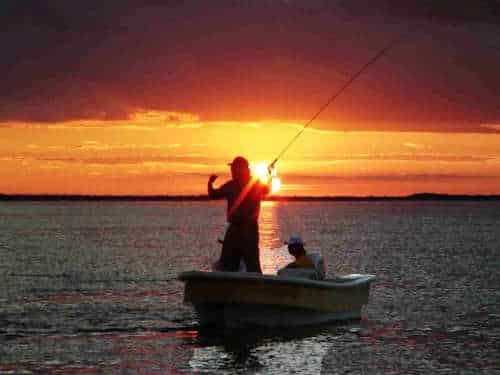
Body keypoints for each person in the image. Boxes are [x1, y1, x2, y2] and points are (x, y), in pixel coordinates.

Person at [208, 156, 270, 273]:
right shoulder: (230, 185)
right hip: (234, 228)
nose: (232, 170)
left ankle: (257, 286)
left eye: (234, 168)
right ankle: (226, 284)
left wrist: (269, 176)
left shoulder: (255, 183)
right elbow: (213, 195)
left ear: (242, 169)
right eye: (232, 168)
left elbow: (266, 190)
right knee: (227, 262)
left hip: (249, 228)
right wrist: (210, 183)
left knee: (252, 261)